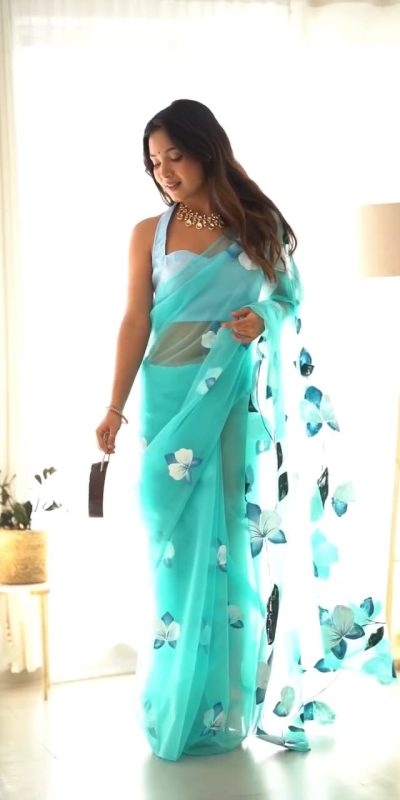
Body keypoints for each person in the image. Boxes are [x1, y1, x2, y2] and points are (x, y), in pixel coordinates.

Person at [95, 99, 395, 762]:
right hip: (166, 401)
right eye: (154, 162)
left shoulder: (257, 224)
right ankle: (174, 701)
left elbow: (289, 299)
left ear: (207, 149)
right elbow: (134, 320)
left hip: (231, 398)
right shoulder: (148, 232)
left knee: (230, 541)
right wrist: (113, 408)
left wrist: (263, 319)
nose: (165, 171)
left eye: (175, 155)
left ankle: (223, 708)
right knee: (171, 547)